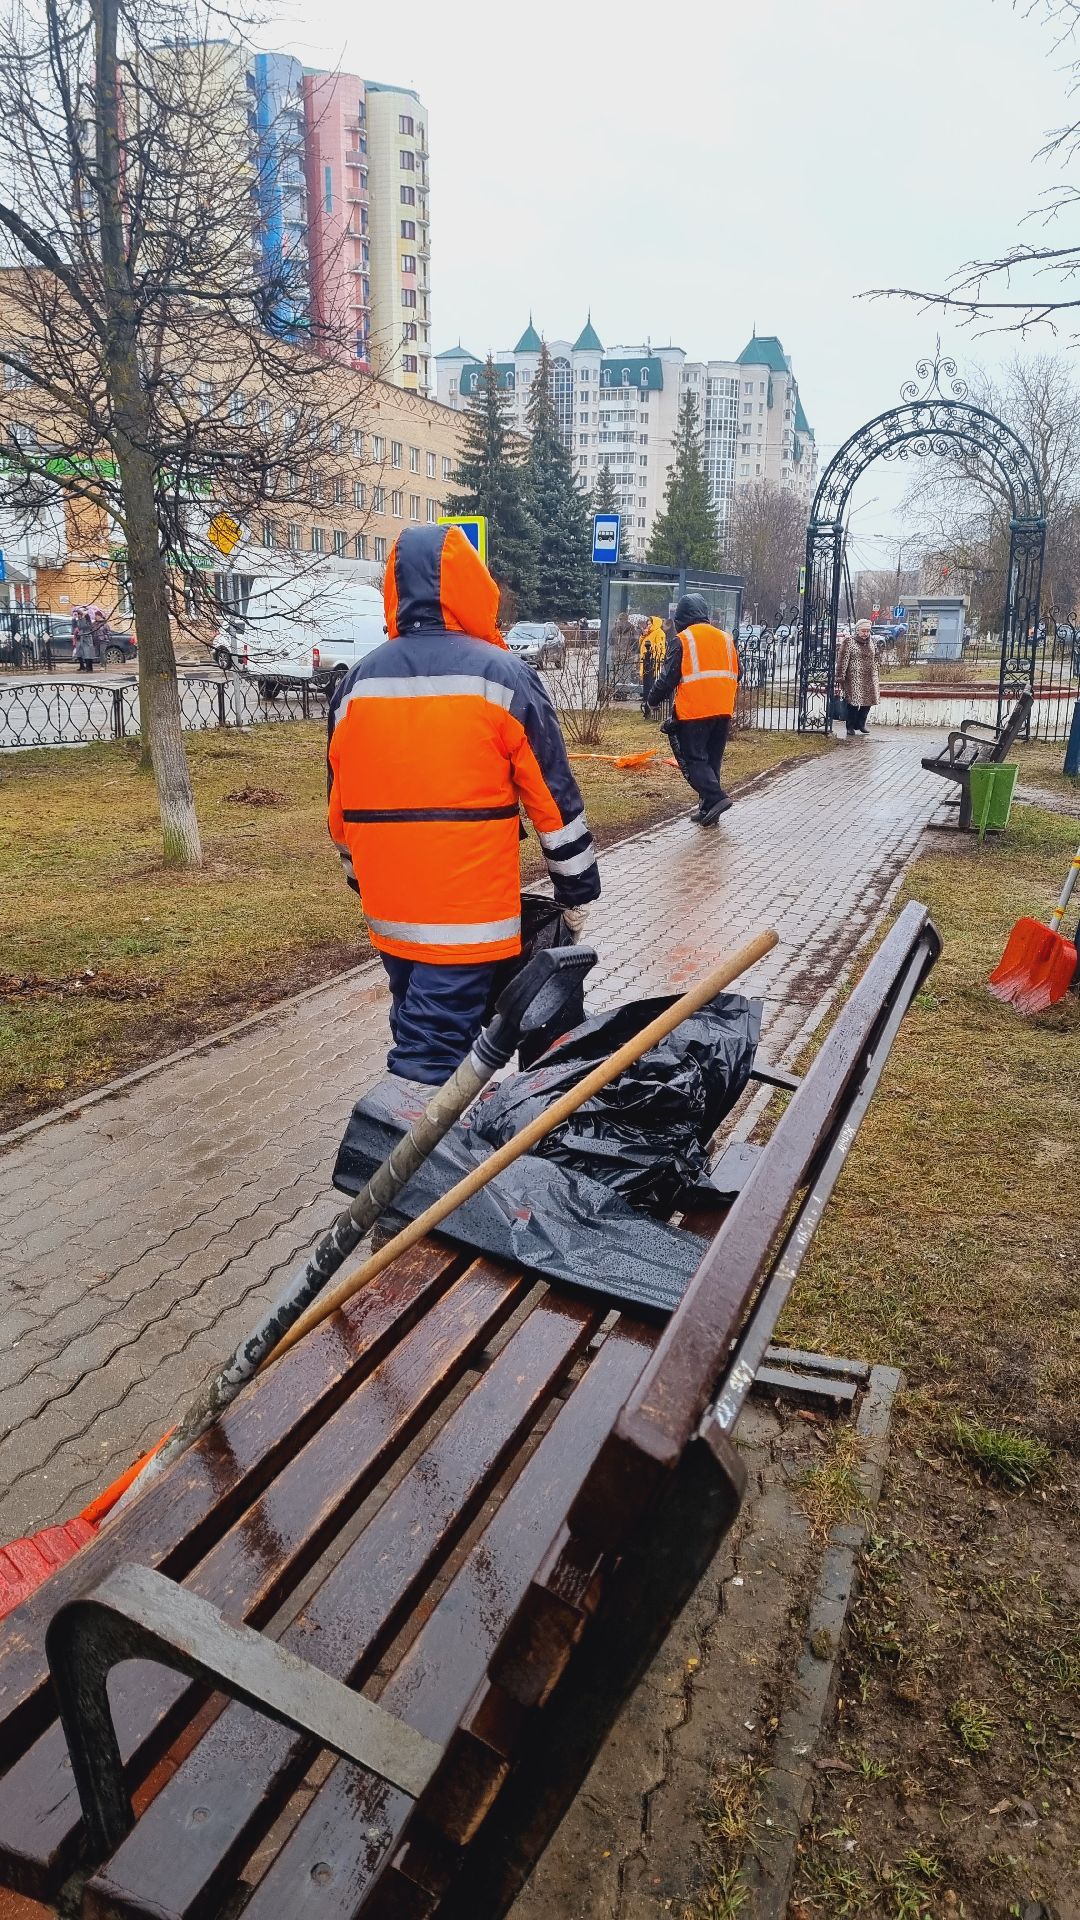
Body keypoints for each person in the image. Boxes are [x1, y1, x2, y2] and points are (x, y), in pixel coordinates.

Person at [327, 522, 601, 1084]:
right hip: (467, 916)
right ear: (473, 587)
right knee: (429, 1060)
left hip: (390, 913)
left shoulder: (355, 684)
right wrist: (575, 891)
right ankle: (396, 1165)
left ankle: (434, 1155)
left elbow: (341, 803)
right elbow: (552, 798)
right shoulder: (502, 677)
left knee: (417, 1026)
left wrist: (362, 878)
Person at [646, 593, 739, 825]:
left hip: (695, 711)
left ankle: (717, 798)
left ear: (682, 618)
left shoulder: (683, 640)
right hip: (724, 708)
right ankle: (709, 808)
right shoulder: (726, 638)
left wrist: (652, 700)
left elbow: (668, 678)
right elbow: (740, 672)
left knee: (695, 759)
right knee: (712, 760)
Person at [835, 619, 880, 735]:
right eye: (863, 631)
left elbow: (876, 658)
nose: (865, 633)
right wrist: (841, 676)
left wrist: (876, 671)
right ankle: (850, 726)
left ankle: (861, 724)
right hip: (854, 678)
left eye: (867, 631)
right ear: (857, 630)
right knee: (853, 703)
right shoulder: (849, 641)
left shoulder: (872, 642)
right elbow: (842, 660)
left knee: (868, 703)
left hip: (870, 677)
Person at [639, 615, 666, 709]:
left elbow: (660, 647)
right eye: (647, 624)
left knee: (652, 682)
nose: (648, 625)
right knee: (647, 682)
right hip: (646, 661)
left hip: (653, 661)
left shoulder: (659, 633)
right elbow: (641, 644)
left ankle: (651, 702)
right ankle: (646, 701)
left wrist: (659, 659)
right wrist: (643, 635)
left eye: (650, 623)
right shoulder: (648, 633)